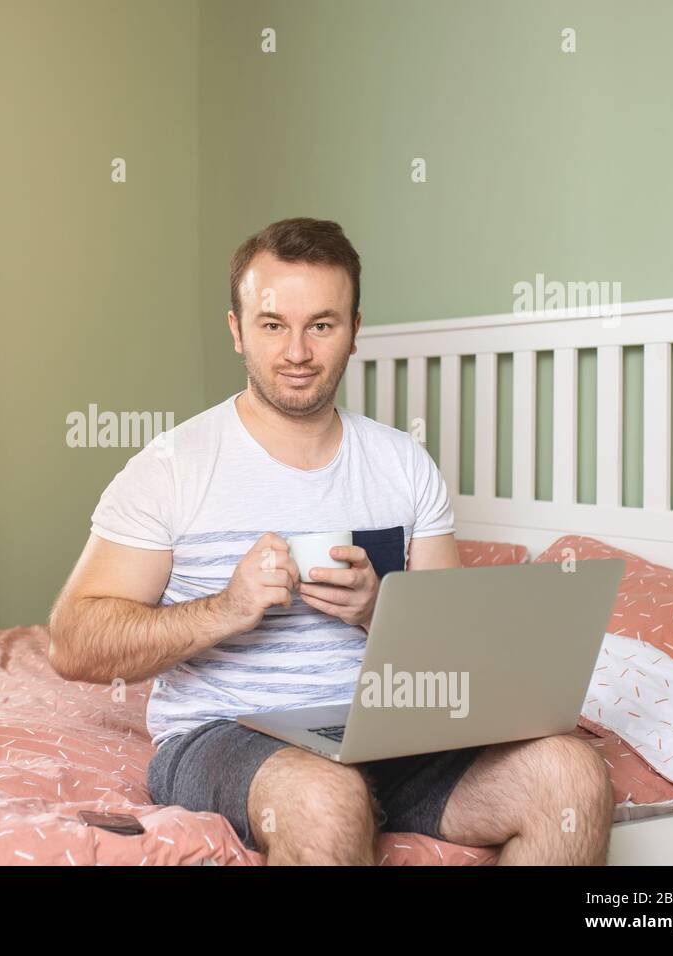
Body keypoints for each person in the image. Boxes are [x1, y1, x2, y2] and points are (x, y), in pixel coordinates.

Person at [47, 217, 613, 865]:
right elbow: (74, 642)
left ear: (354, 331)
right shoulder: (173, 465)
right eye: (271, 324)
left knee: (571, 773)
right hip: (225, 735)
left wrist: (380, 611)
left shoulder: (404, 465)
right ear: (236, 330)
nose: (296, 352)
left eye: (321, 324)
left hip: (391, 734)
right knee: (326, 795)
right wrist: (226, 610)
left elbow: (463, 664)